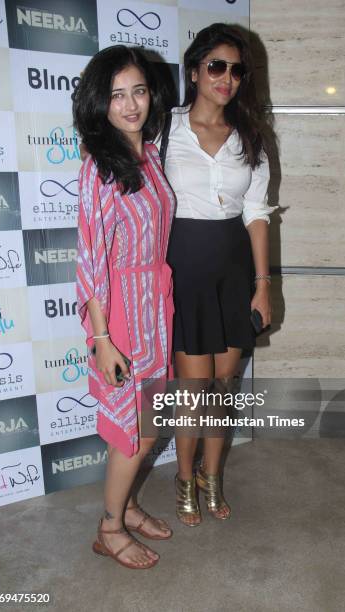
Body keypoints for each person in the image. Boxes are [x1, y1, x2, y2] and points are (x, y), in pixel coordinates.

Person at [161, 23, 278, 526]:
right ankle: (184, 476)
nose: (226, 77)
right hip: (182, 262)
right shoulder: (162, 128)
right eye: (216, 66)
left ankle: (212, 477)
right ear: (194, 70)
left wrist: (263, 284)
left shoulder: (252, 138)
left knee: (223, 386)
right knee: (194, 391)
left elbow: (256, 213)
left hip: (233, 265)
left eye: (236, 69)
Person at [74, 45, 175, 568]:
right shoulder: (100, 169)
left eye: (138, 90)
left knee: (151, 423)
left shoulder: (151, 156)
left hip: (156, 309)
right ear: (100, 104)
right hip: (120, 319)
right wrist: (102, 339)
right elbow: (91, 264)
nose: (131, 104)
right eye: (116, 95)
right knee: (129, 434)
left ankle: (129, 505)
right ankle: (108, 528)